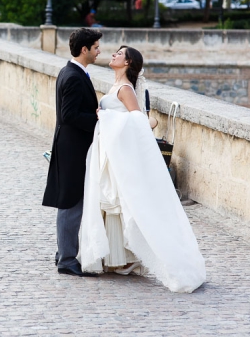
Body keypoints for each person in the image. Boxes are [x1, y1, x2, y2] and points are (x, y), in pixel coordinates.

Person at [79, 46, 206, 293]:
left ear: (127, 63)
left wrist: (106, 118)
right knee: (111, 204)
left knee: (119, 204)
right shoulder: (117, 86)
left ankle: (125, 259)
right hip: (108, 152)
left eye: (119, 53)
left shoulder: (125, 89)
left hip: (117, 155)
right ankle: (115, 259)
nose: (113, 54)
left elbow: (140, 121)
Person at [41, 27, 102, 277]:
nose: (99, 52)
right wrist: (98, 119)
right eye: (96, 47)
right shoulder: (75, 76)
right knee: (71, 203)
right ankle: (66, 259)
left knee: (71, 202)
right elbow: (69, 115)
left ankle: (63, 252)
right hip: (73, 148)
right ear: (84, 49)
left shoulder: (72, 72)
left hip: (70, 146)